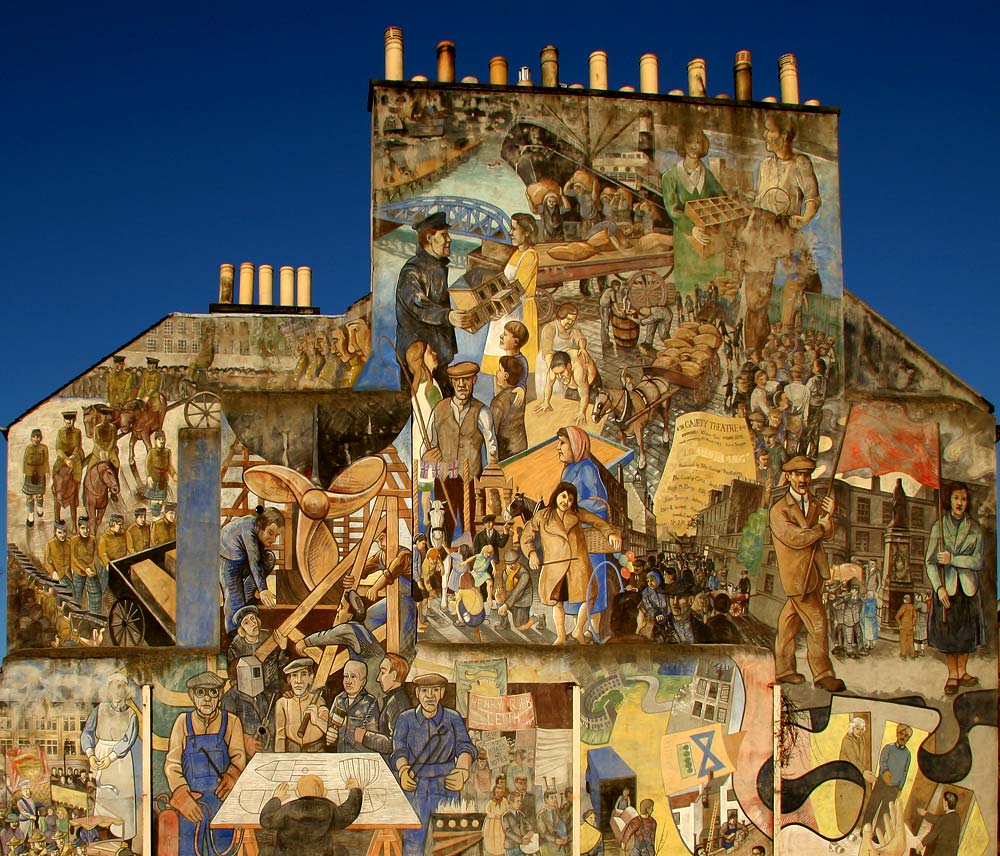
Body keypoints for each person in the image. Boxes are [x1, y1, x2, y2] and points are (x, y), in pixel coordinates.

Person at [737, 114, 822, 355]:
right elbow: (759, 201)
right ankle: (754, 347)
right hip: (760, 228)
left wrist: (805, 217)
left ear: (784, 136)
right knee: (755, 296)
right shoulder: (764, 165)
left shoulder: (800, 164)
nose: (765, 135)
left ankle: (788, 335)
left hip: (785, 227)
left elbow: (813, 197)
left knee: (800, 278)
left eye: (769, 131)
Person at [769, 455, 846, 692]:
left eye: (806, 474)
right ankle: (823, 674)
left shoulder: (814, 503)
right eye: (798, 474)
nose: (803, 479)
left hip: (814, 573)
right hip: (797, 576)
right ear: (789, 477)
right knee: (818, 623)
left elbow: (828, 534)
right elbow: (796, 538)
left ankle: (784, 670)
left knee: (789, 623)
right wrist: (821, 527)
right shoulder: (779, 510)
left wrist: (829, 517)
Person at [520, 481, 621, 646]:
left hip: (577, 565)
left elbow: (597, 522)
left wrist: (610, 534)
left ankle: (578, 629)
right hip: (554, 566)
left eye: (570, 499)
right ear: (557, 495)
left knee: (590, 595)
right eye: (564, 496)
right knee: (556, 602)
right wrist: (531, 553)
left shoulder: (577, 513)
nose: (566, 501)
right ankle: (561, 637)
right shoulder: (542, 515)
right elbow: (526, 536)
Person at [391, 673, 475, 856]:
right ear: (418, 693)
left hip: (447, 785)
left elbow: (465, 747)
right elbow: (399, 750)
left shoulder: (453, 718)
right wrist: (404, 771)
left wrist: (462, 771)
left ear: (442, 692)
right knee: (413, 842)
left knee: (451, 842)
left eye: (435, 690)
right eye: (425, 691)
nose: (430, 695)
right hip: (415, 787)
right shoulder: (405, 719)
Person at [164, 671, 246, 856]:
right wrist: (181, 794)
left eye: (213, 692)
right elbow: (172, 764)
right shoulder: (182, 723)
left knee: (226, 848)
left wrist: (233, 775)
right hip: (191, 805)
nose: (207, 698)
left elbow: (239, 757)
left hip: (222, 802)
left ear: (219, 695)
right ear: (192, 696)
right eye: (201, 692)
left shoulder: (232, 722)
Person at [394, 211, 476, 395]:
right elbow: (418, 304)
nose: (450, 240)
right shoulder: (412, 271)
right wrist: (448, 316)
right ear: (430, 238)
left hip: (440, 356)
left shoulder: (437, 266)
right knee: (424, 411)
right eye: (444, 235)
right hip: (420, 359)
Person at [423, 360, 499, 538]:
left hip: (472, 480)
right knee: (442, 528)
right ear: (451, 382)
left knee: (474, 527)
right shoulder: (439, 410)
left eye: (466, 379)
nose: (461, 384)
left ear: (474, 380)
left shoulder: (482, 411)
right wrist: (427, 467)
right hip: (444, 478)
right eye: (457, 380)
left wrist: (492, 484)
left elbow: (492, 447)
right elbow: (427, 449)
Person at [924, 482, 984, 695]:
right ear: (949, 499)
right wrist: (938, 588)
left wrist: (954, 559)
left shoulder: (975, 528)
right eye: (956, 498)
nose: (960, 502)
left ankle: (962, 671)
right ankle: (952, 675)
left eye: (964, 499)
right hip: (947, 589)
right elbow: (929, 562)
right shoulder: (938, 527)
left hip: (968, 588)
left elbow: (977, 562)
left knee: (966, 632)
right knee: (949, 633)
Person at [661, 126, 727, 301]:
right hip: (685, 237)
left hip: (708, 235)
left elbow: (721, 199)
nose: (694, 146)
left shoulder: (708, 175)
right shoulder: (670, 177)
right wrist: (692, 229)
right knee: (689, 288)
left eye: (698, 142)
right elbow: (672, 210)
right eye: (690, 142)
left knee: (711, 282)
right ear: (683, 145)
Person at [80, 673, 138, 843]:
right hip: (100, 755)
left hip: (120, 760)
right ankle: (103, 840)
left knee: (123, 800)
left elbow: (128, 739)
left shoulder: (131, 714)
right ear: (109, 689)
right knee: (103, 799)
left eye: (122, 687)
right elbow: (87, 733)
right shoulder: (99, 710)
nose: (118, 691)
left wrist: (111, 757)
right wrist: (91, 754)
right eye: (115, 686)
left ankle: (123, 842)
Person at [483, 214, 540, 376]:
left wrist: (499, 308)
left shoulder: (530, 255)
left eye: (514, 229)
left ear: (527, 232)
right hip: (507, 309)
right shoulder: (516, 253)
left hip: (517, 310)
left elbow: (517, 289)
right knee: (500, 364)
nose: (510, 232)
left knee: (514, 364)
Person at [259, 774, 363, 856]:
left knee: (265, 851)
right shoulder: (329, 808)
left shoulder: (287, 809)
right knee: (341, 851)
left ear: (297, 793)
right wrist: (355, 790)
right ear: (324, 793)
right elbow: (349, 812)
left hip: (287, 854)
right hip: (320, 854)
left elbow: (266, 820)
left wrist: (276, 798)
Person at [219, 507, 283, 632]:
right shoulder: (248, 529)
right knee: (235, 601)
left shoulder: (257, 533)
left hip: (243, 561)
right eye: (270, 533)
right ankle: (233, 635)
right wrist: (263, 589)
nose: (273, 539)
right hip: (228, 561)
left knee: (269, 558)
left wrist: (259, 588)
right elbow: (254, 561)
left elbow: (257, 560)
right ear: (260, 526)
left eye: (277, 535)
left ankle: (248, 598)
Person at [407, 341, 444, 529]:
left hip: (421, 448)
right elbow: (440, 420)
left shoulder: (419, 387)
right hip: (429, 447)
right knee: (428, 488)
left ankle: (425, 521)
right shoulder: (430, 389)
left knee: (425, 489)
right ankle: (426, 522)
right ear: (421, 361)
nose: (435, 353)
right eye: (430, 352)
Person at [861, 724, 912, 842]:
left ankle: (877, 836)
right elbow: (883, 761)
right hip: (881, 784)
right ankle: (865, 831)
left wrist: (900, 788)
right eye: (901, 734)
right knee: (872, 807)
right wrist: (885, 771)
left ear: (908, 739)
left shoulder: (908, 754)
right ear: (897, 734)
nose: (903, 737)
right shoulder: (888, 748)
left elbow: (905, 772)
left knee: (885, 813)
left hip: (894, 788)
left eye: (906, 736)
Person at [358, 654, 411, 759]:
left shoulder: (396, 702)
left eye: (382, 672)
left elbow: (394, 744)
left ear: (394, 675)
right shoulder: (394, 699)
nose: (378, 679)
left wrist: (364, 737)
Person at [275, 659, 329, 753]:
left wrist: (316, 719)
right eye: (294, 675)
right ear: (289, 679)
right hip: (292, 752)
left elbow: (329, 730)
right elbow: (280, 737)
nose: (298, 681)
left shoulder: (319, 701)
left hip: (316, 751)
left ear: (310, 678)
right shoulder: (282, 703)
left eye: (303, 674)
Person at [326, 660, 379, 753]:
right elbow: (331, 729)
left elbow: (371, 740)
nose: (348, 681)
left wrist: (347, 726)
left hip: (361, 759)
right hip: (340, 756)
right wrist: (331, 737)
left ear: (363, 682)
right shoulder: (339, 699)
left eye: (353, 676)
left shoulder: (370, 702)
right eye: (346, 676)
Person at [835, 717, 870, 837]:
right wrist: (864, 771)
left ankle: (854, 829)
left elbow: (862, 758)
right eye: (857, 729)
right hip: (846, 777)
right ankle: (846, 832)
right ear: (852, 728)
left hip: (857, 776)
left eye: (861, 729)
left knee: (856, 803)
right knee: (846, 805)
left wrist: (864, 772)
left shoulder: (862, 739)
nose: (860, 731)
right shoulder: (847, 741)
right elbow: (853, 759)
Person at [491, 356, 528, 460]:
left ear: (506, 375)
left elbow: (492, 432)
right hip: (521, 447)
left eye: (499, 370)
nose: (497, 373)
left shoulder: (498, 402)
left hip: (506, 453)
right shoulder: (519, 395)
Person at [497, 550, 535, 632]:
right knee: (498, 599)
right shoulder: (505, 573)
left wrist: (506, 605)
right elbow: (506, 589)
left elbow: (518, 592)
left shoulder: (524, 574)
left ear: (518, 560)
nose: (510, 566)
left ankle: (538, 617)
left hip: (522, 602)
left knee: (521, 628)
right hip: (511, 600)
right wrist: (500, 596)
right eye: (508, 564)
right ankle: (505, 623)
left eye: (513, 563)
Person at [69, 516, 101, 613]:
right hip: (79, 571)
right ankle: (75, 615)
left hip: (91, 570)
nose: (86, 531)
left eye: (87, 528)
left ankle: (95, 615)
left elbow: (96, 555)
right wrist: (85, 568)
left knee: (96, 594)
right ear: (79, 528)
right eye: (83, 528)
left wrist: (91, 568)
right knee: (77, 595)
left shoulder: (93, 539)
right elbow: (75, 558)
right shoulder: (74, 540)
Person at [916, 791, 961, 856]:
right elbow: (939, 820)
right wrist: (925, 813)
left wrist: (921, 845)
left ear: (945, 803)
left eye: (943, 801)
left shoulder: (945, 818)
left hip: (940, 852)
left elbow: (934, 833)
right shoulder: (956, 818)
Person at [144, 430, 175, 519]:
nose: (161, 441)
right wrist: (149, 476)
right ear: (155, 441)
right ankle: (154, 517)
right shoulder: (151, 452)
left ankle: (158, 517)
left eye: (163, 439)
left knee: (160, 502)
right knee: (154, 502)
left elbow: (169, 466)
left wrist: (173, 474)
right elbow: (148, 465)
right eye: (159, 439)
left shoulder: (167, 451)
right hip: (154, 479)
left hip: (163, 480)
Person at [21, 430, 49, 527]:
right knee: (29, 496)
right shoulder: (28, 448)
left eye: (38, 437)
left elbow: (46, 461)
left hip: (40, 474)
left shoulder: (44, 448)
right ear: (31, 438)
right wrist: (24, 473)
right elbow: (25, 461)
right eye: (34, 437)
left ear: (40, 438)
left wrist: (47, 472)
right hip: (29, 474)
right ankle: (30, 514)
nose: (36, 439)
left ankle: (39, 507)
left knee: (39, 494)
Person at [536, 790, 569, 856]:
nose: (555, 800)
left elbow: (561, 826)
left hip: (558, 844)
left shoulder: (556, 812)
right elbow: (544, 834)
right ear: (546, 800)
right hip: (546, 845)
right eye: (552, 798)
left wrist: (564, 836)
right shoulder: (541, 815)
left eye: (555, 797)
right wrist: (555, 840)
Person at [503, 790, 535, 856]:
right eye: (517, 801)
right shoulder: (506, 816)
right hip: (511, 847)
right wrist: (521, 841)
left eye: (520, 801)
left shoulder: (521, 814)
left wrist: (530, 833)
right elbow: (507, 832)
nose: (520, 803)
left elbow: (529, 826)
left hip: (522, 847)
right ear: (511, 802)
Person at [483, 783, 510, 856]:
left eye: (501, 792)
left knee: (501, 839)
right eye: (497, 792)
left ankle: (501, 852)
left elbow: (508, 809)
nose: (499, 794)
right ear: (494, 793)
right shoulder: (491, 802)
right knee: (492, 839)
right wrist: (494, 816)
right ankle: (493, 852)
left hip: (501, 823)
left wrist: (503, 815)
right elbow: (487, 812)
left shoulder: (504, 801)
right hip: (492, 824)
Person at [43, 520, 71, 584]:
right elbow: (47, 561)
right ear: (55, 532)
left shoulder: (69, 542)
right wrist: (53, 572)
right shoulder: (50, 544)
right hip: (57, 577)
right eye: (59, 532)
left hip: (69, 576)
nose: (62, 535)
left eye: (64, 532)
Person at [895, 595, 916, 659]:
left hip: (903, 627)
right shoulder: (912, 607)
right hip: (910, 627)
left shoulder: (903, 606)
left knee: (903, 641)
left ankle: (903, 655)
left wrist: (900, 625)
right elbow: (915, 616)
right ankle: (912, 654)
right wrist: (913, 624)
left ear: (905, 600)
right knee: (911, 641)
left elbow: (897, 616)